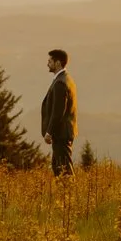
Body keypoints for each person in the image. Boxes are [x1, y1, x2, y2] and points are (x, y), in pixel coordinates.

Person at [40, 48, 77, 176]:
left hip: (61, 133)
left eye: (50, 61)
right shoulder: (65, 79)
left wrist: (49, 132)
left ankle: (69, 189)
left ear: (58, 63)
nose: (47, 64)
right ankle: (64, 189)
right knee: (58, 167)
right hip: (63, 132)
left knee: (63, 168)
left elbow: (58, 111)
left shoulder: (60, 83)